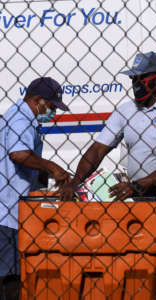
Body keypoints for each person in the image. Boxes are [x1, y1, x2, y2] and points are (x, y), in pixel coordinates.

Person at [60, 52, 156, 248]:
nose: (135, 84)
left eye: (141, 79)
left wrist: (136, 187)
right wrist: (75, 182)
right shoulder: (127, 110)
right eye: (133, 79)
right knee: (136, 256)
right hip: (139, 196)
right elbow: (98, 149)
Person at [0, 77, 70, 298]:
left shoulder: (17, 115)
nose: (53, 113)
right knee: (11, 277)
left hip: (9, 206)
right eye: (51, 106)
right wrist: (52, 167)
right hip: (7, 213)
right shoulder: (22, 120)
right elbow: (19, 154)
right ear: (37, 100)